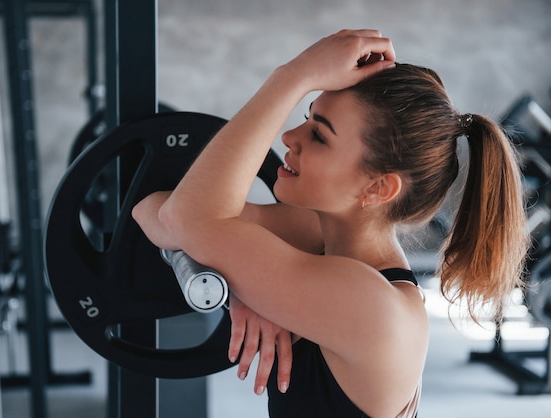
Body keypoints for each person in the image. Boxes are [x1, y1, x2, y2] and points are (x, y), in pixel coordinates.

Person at [132, 29, 529, 417]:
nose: (289, 136)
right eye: (307, 118)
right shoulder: (317, 234)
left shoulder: (369, 303)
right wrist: (240, 277)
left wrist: (293, 76)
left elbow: (187, 218)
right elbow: (156, 211)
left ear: (378, 187)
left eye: (319, 136)